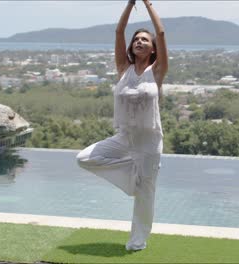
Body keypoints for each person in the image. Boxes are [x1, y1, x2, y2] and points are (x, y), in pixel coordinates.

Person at [76, 0, 168, 251]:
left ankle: (138, 241)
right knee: (84, 158)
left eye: (144, 40)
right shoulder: (123, 69)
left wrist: (148, 3)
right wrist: (130, 3)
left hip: (149, 142)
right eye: (136, 39)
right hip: (124, 139)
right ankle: (132, 173)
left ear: (152, 49)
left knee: (145, 195)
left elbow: (160, 33)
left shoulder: (157, 71)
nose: (138, 41)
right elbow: (118, 32)